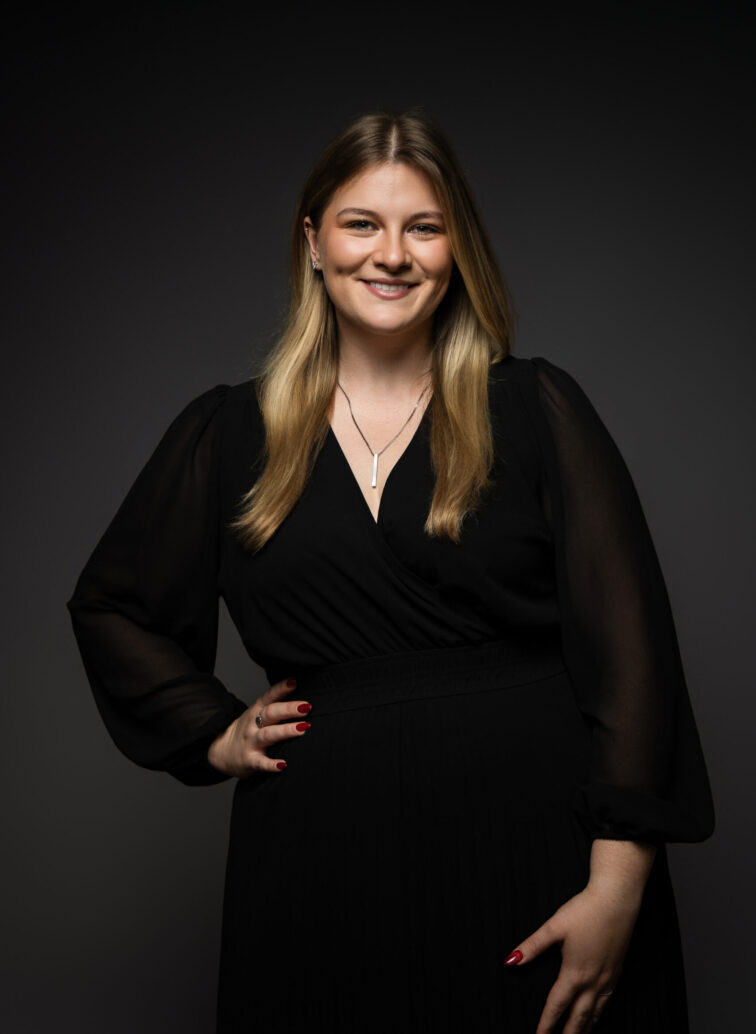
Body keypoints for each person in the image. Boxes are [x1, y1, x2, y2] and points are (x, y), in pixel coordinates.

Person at [65, 110, 715, 1034]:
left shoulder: (534, 408)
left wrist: (616, 887)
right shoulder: (228, 433)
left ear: (458, 248)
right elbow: (113, 604)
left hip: (534, 853)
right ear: (314, 242)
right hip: (315, 867)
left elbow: (633, 656)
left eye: (425, 227)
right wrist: (210, 733)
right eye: (362, 224)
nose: (393, 255)